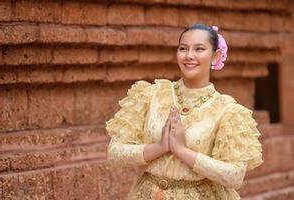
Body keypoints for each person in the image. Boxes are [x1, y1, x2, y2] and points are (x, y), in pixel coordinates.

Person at [105, 23, 263, 200]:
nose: (189, 56)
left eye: (199, 49)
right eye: (183, 48)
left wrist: (181, 150)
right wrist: (159, 147)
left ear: (215, 56)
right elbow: (115, 153)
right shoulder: (151, 95)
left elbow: (235, 176)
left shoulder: (227, 110)